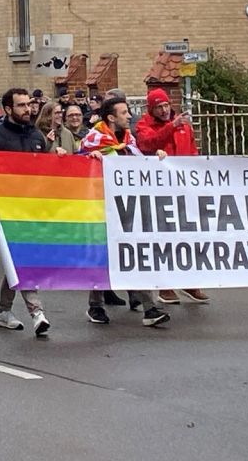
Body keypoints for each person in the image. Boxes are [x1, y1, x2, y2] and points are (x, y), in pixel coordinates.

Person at [80, 96, 172, 328]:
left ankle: (150, 308)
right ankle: (96, 306)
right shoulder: (94, 139)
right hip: (100, 207)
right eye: (124, 113)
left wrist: (156, 159)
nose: (129, 116)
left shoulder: (128, 139)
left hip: (127, 207)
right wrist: (90, 159)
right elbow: (78, 165)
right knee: (103, 257)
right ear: (111, 117)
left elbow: (136, 166)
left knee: (134, 253)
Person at [0, 88, 53, 337]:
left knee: (18, 261)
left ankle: (4, 310)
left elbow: (46, 171)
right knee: (22, 258)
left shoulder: (37, 136)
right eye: (21, 105)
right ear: (8, 109)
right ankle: (37, 312)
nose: (28, 109)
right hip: (6, 211)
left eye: (29, 104)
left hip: (33, 209)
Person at [135, 88, 207, 306]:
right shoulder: (144, 125)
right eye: (159, 107)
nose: (164, 110)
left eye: (166, 105)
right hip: (159, 190)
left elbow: (192, 151)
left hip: (183, 188)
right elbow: (147, 144)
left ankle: (188, 280)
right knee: (163, 237)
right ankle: (164, 285)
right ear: (152, 108)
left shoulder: (183, 124)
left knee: (187, 235)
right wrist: (169, 128)